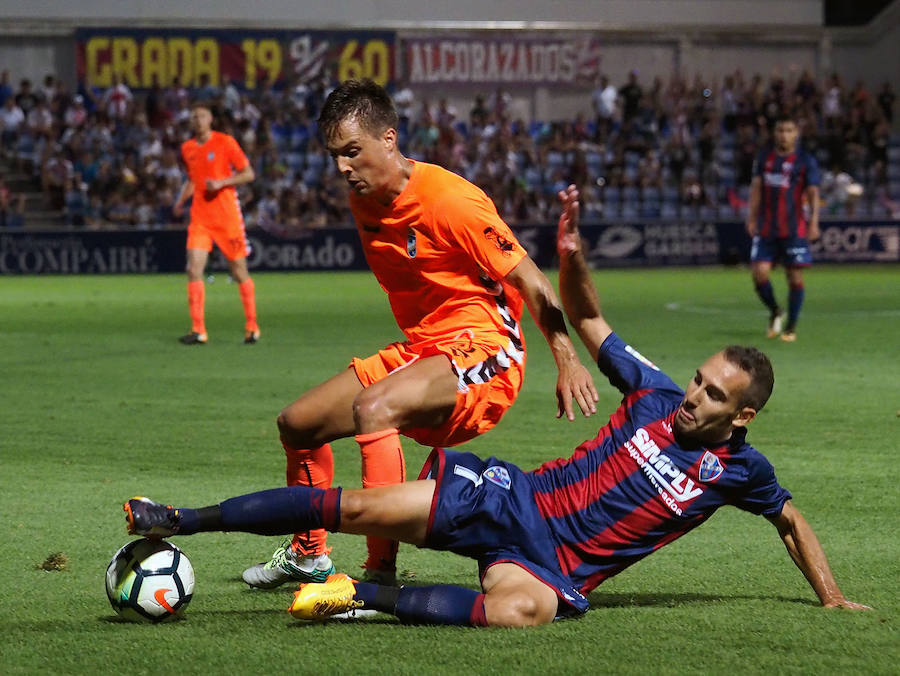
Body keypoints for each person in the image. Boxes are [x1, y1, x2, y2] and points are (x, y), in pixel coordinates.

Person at [124, 184, 868, 627]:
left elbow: (791, 520)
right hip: (516, 500)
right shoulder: (653, 391)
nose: (694, 395)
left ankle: (365, 594)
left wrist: (831, 597)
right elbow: (588, 321)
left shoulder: (740, 472)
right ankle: (180, 519)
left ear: (742, 418)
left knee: (521, 614)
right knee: (357, 507)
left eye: (713, 394)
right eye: (700, 379)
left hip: (555, 570)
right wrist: (571, 258)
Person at [240, 79, 597, 590]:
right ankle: (308, 553)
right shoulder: (363, 200)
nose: (342, 167)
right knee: (297, 424)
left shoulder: (450, 200)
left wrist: (567, 358)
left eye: (352, 152)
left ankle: (377, 578)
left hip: (486, 347)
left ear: (389, 139)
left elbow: (530, 278)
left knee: (374, 408)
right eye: (335, 156)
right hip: (425, 348)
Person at [173, 102, 259, 345]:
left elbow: (248, 173)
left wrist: (222, 183)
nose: (197, 120)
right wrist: (180, 201)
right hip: (200, 218)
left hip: (226, 217)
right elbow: (193, 179)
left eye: (201, 115)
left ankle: (252, 326)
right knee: (193, 269)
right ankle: (198, 329)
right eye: (194, 116)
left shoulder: (225, 142)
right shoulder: (187, 148)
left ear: (210, 118)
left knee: (239, 271)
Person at [746, 113, 820, 342]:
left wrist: (814, 222)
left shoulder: (805, 160)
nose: (784, 135)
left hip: (794, 229)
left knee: (794, 277)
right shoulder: (764, 157)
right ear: (774, 133)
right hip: (767, 228)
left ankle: (791, 327)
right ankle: (776, 310)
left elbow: (813, 192)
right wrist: (751, 217)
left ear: (796, 133)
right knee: (759, 274)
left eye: (789, 130)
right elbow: (757, 188)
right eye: (780, 130)